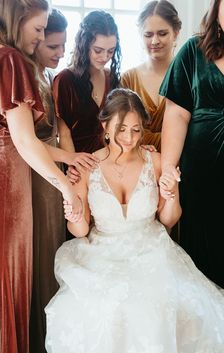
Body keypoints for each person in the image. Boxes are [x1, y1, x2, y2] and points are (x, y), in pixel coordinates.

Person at [45, 88, 224, 353]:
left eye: (136, 130)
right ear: (105, 126)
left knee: (163, 304)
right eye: (122, 129)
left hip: (152, 249)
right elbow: (79, 231)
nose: (130, 138)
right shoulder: (86, 167)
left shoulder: (156, 161)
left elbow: (169, 220)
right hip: (102, 253)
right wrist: (74, 214)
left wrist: (170, 193)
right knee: (100, 309)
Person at [0, 1, 95, 353]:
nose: (41, 38)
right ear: (17, 18)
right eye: (39, 30)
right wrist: (66, 189)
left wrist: (68, 157)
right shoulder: (10, 59)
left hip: (19, 170)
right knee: (13, 273)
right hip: (11, 180)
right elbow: (24, 139)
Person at [159, 0, 224, 297]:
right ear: (216, 7)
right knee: (204, 254)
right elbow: (176, 115)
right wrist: (168, 168)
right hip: (202, 172)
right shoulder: (193, 50)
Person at [29, 9, 74, 353]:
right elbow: (33, 139)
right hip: (36, 173)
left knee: (55, 245)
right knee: (44, 249)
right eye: (53, 46)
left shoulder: (44, 74)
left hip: (53, 170)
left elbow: (58, 126)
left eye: (63, 46)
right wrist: (67, 161)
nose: (60, 54)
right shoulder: (24, 73)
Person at [53, 10, 121, 156]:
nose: (105, 57)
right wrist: (74, 167)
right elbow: (64, 135)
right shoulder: (65, 80)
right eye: (98, 50)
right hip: (78, 163)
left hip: (110, 161)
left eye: (111, 51)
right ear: (84, 45)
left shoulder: (112, 78)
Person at [121, 0, 181, 152]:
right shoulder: (127, 79)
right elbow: (120, 128)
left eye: (162, 33)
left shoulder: (189, 75)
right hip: (137, 163)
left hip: (182, 164)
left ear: (176, 33)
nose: (155, 41)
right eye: (148, 35)